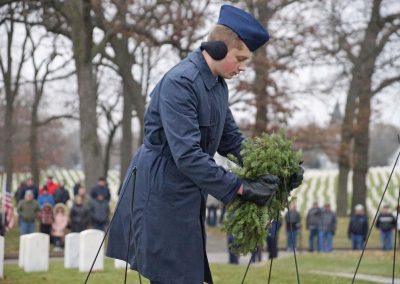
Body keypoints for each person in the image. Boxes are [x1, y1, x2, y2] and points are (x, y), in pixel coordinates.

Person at [106, 4, 304, 284]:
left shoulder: (217, 85)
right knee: (175, 277)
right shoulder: (181, 83)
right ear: (218, 48)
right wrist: (241, 188)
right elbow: (187, 155)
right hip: (159, 194)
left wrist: (277, 167)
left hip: (184, 193)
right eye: (240, 58)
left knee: (188, 276)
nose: (243, 67)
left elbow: (231, 139)